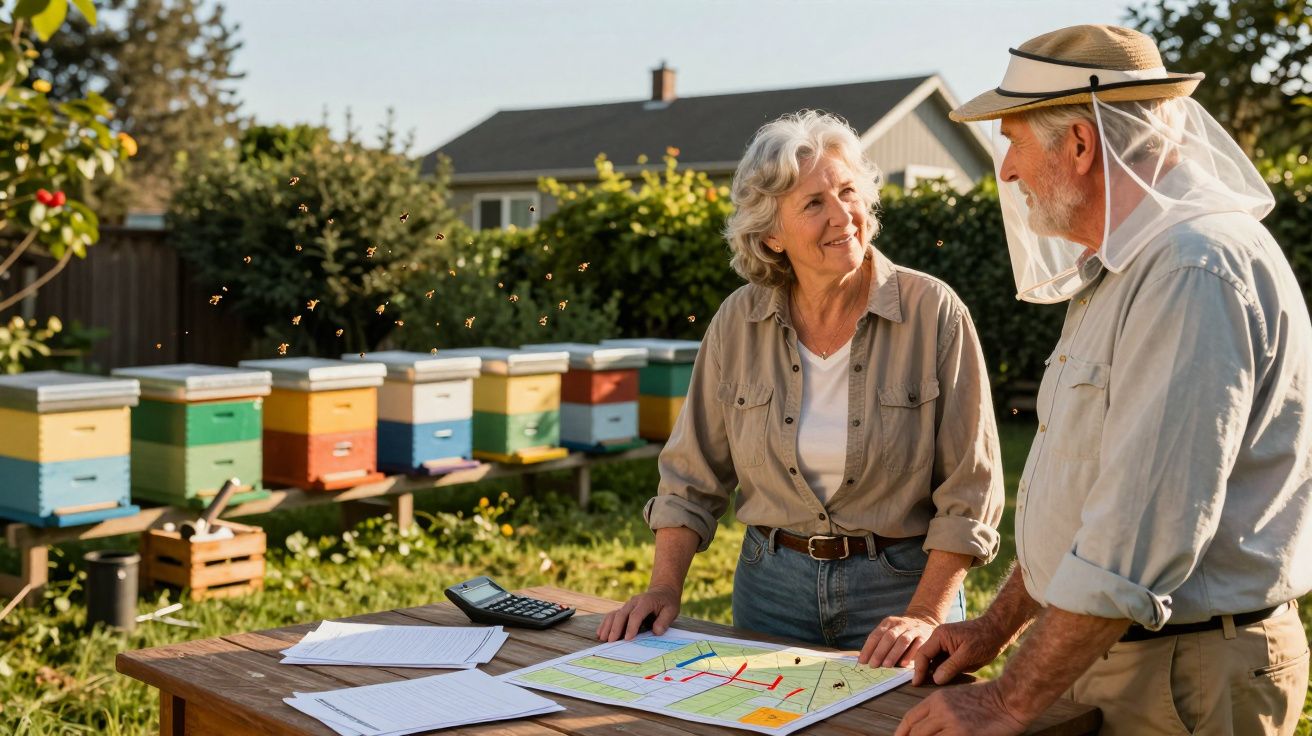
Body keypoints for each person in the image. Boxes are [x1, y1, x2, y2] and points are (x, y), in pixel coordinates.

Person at [899, 25, 1312, 736]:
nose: (1006, 171)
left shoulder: (1189, 271)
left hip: (1185, 675)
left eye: (1015, 141)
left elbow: (1135, 534)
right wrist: (993, 631)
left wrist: (1005, 699)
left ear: (1081, 146)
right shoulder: (1129, 268)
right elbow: (1083, 503)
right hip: (1117, 652)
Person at [596, 110, 1005, 669]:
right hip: (770, 590)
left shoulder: (933, 312)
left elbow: (971, 491)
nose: (843, 217)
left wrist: (927, 614)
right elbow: (691, 476)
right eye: (814, 204)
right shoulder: (738, 322)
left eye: (848, 192)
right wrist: (664, 588)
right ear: (771, 234)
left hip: (900, 592)